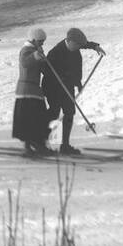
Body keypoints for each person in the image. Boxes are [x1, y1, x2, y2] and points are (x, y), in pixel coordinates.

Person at [42, 27, 104, 156]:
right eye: (77, 45)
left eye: (79, 46)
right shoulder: (55, 52)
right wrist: (63, 76)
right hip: (53, 87)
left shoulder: (74, 45)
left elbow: (85, 44)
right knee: (54, 112)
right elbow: (45, 70)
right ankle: (39, 140)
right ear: (69, 41)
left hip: (67, 86)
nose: (78, 47)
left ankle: (65, 145)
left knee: (69, 112)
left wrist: (95, 46)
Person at [12, 27, 52, 156]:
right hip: (26, 90)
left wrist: (44, 61)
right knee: (32, 119)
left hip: (34, 90)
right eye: (40, 41)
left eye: (43, 41)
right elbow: (25, 62)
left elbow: (42, 68)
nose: (42, 43)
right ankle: (33, 145)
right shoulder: (26, 50)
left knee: (34, 119)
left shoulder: (35, 50)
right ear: (33, 40)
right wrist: (36, 55)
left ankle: (34, 144)